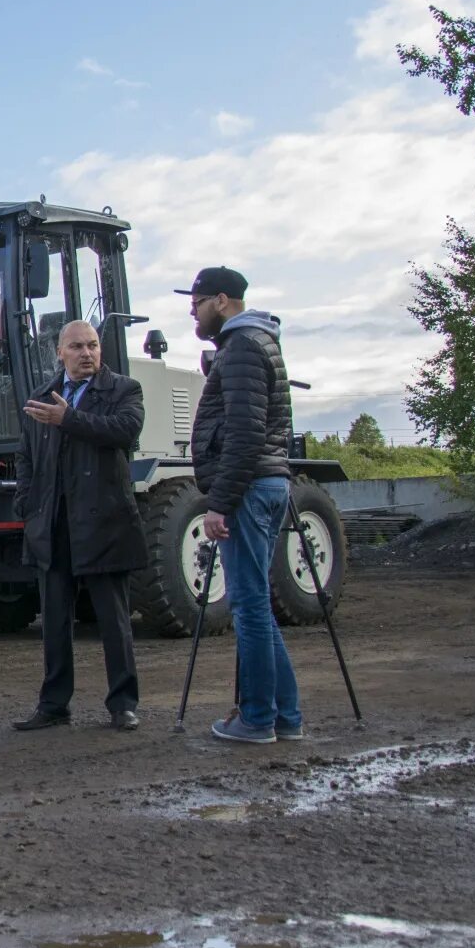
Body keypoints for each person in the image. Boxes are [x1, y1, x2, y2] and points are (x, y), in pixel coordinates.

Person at [178, 266, 303, 745]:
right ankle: (284, 717)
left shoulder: (244, 348)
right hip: (264, 485)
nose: (193, 313)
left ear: (223, 301)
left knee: (249, 610)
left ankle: (256, 719)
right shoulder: (251, 345)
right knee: (258, 608)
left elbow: (246, 434)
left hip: (250, 489)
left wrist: (220, 502)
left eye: (198, 304)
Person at [11, 319, 149, 733]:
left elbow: (125, 431)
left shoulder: (124, 390)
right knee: (54, 622)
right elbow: (26, 456)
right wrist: (27, 502)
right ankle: (54, 705)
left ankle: (122, 704)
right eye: (76, 346)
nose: (86, 353)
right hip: (53, 525)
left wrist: (68, 419)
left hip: (104, 524)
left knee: (113, 621)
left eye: (92, 345)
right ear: (59, 352)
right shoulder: (39, 398)